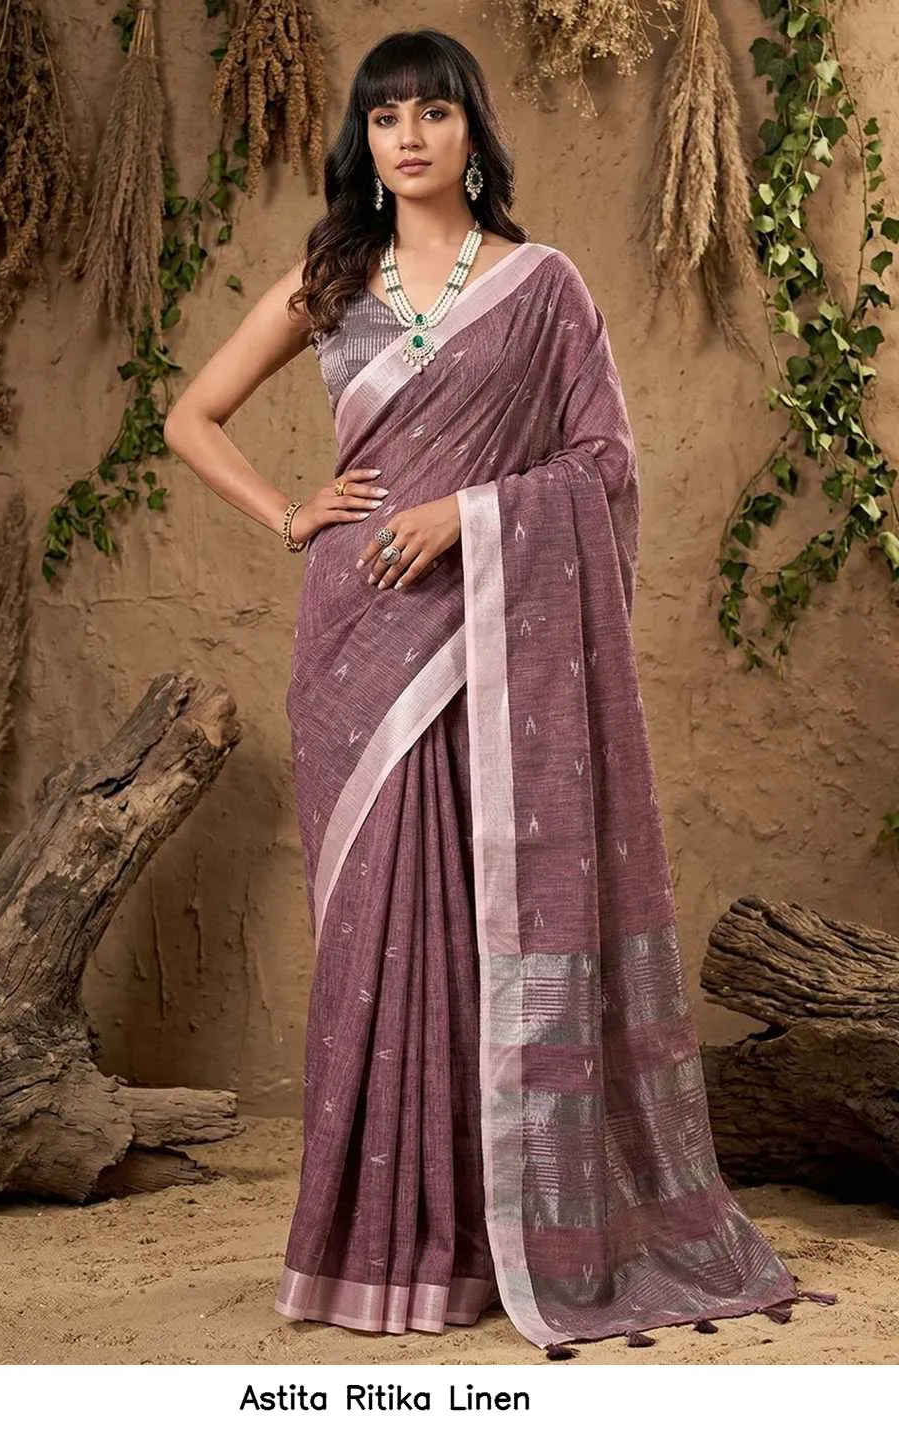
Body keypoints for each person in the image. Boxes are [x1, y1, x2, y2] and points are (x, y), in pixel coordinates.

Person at [164, 27, 833, 1356]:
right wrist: (292, 515)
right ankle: (378, 1248)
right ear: (364, 142)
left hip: (488, 637)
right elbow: (192, 417)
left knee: (486, 923)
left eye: (432, 112)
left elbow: (603, 462)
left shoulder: (541, 288)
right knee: (379, 934)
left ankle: (487, 1236)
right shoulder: (329, 276)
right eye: (384, 118)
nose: (407, 137)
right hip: (359, 645)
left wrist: (468, 515)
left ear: (472, 131)